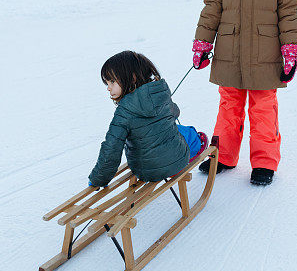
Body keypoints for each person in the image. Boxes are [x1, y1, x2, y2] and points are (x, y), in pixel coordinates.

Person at [191, 0, 297, 186]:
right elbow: (212, 8)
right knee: (229, 104)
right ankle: (223, 156)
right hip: (230, 48)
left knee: (263, 107)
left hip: (265, 50)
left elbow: (289, 12)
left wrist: (289, 50)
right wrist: (203, 43)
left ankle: (264, 162)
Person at [88, 51, 209, 188]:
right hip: (177, 161)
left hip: (145, 170)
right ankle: (198, 143)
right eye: (107, 83)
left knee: (175, 131)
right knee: (187, 132)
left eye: (112, 81)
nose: (109, 88)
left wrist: (98, 179)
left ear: (132, 78)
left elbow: (111, 148)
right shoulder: (160, 92)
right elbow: (175, 112)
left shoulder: (123, 112)